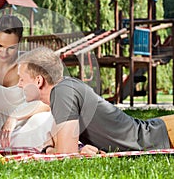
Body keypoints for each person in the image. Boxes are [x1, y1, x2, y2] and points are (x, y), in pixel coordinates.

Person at [16, 46, 174, 154]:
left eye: (22, 79)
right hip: (160, 130)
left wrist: (49, 149)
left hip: (163, 134)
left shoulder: (62, 92)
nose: (18, 84)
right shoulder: (62, 91)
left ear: (38, 81)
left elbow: (65, 153)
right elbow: (61, 141)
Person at [0, 14, 52, 149]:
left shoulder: (29, 63)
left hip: (26, 129)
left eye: (11, 48)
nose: (4, 53)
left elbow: (49, 103)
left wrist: (15, 117)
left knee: (44, 119)